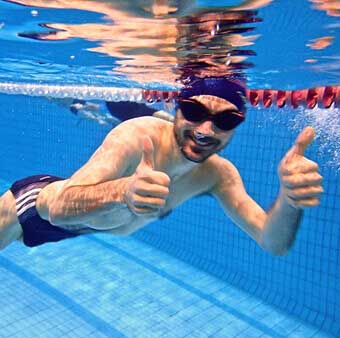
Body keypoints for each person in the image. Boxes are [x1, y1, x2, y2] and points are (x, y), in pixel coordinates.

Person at [0, 77, 323, 255]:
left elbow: (273, 241)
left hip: (77, 231)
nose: (204, 130)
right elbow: (56, 207)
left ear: (238, 126)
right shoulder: (138, 133)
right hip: (30, 205)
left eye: (225, 120)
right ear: (176, 108)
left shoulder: (218, 174)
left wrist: (290, 201)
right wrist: (123, 191)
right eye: (194, 112)